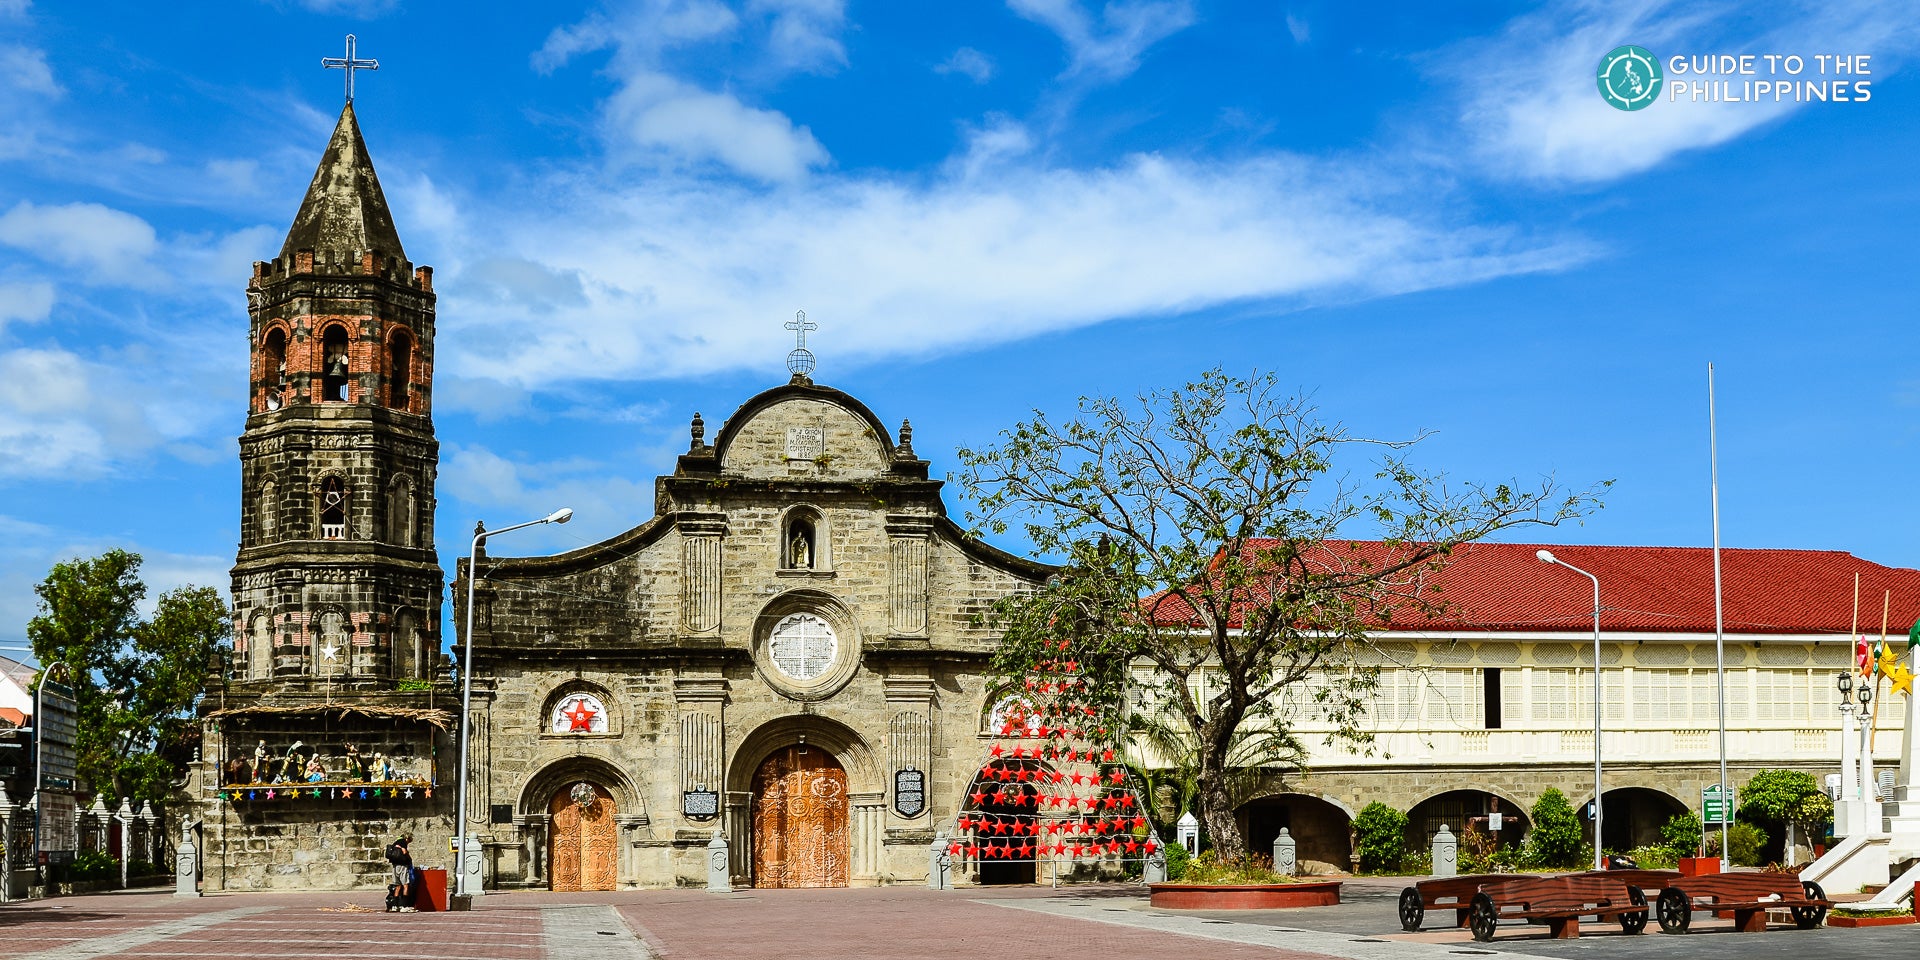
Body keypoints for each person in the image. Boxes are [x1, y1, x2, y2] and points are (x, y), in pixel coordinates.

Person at [385, 834, 415, 912]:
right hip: (402, 866)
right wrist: (408, 854)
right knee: (405, 885)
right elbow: (404, 852)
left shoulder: (396, 842)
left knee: (397, 886)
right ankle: (404, 906)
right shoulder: (403, 842)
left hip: (395, 866)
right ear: (407, 838)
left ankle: (395, 906)